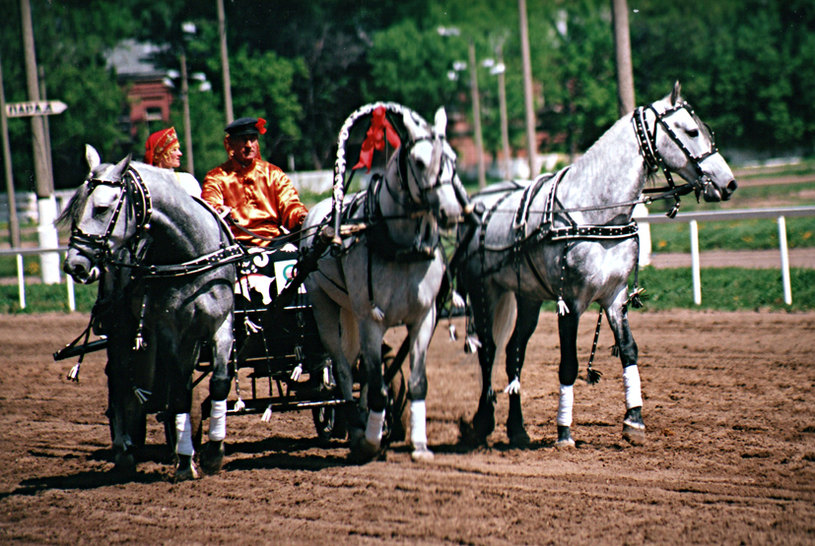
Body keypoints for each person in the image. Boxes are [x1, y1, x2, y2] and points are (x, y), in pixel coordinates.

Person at [201, 117, 308, 247]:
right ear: (231, 144)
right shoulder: (216, 177)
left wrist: (302, 216)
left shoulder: (273, 173)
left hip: (274, 243)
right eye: (243, 140)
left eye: (252, 139)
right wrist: (218, 210)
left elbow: (290, 204)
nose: (248, 145)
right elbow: (210, 208)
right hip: (236, 248)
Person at [144, 127, 201, 197]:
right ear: (160, 154)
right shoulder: (147, 184)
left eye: (178, 149)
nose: (180, 153)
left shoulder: (187, 181)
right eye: (174, 150)